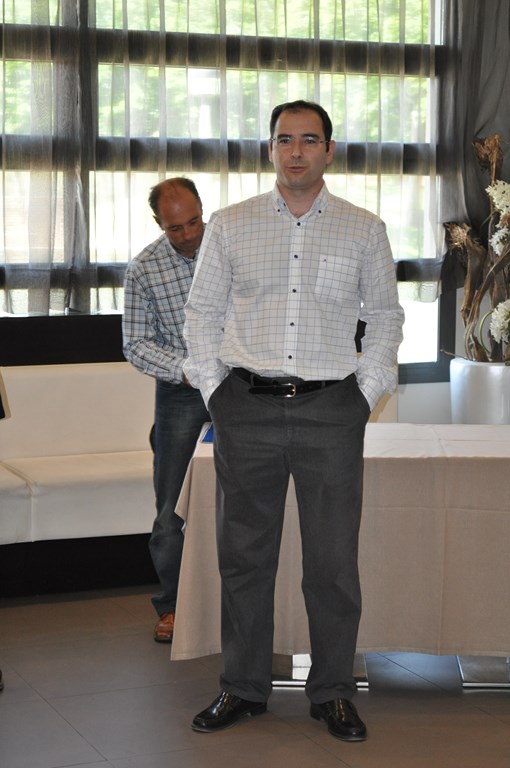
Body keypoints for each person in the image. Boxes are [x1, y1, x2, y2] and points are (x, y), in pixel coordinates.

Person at [183, 100, 404, 740]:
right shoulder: (231, 225)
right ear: (271, 148)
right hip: (245, 408)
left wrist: (363, 395)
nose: (297, 151)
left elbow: (385, 318)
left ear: (329, 150)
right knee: (244, 559)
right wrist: (215, 391)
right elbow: (202, 314)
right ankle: (242, 687)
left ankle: (332, 691)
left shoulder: (364, 228)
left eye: (310, 140)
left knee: (332, 564)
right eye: (285, 139)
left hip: (332, 411)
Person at [123, 177, 209, 643]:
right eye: (176, 228)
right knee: (171, 506)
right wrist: (185, 369)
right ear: (159, 223)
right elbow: (136, 344)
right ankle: (173, 605)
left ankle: (243, 601)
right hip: (181, 390)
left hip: (241, 385)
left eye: (194, 221)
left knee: (252, 497)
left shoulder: (229, 247)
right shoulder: (143, 269)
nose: (189, 234)